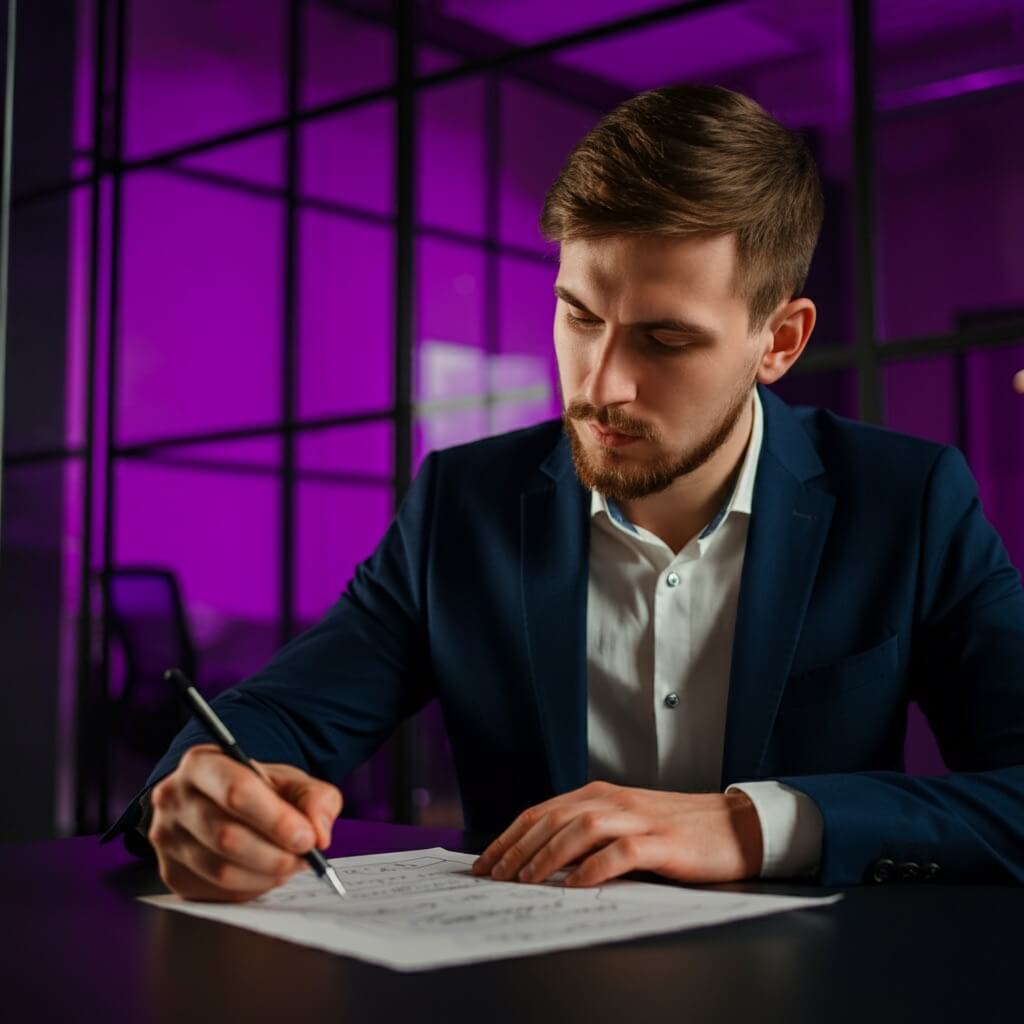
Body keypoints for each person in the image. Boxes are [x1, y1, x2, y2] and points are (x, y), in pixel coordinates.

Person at [105, 84, 1024, 901]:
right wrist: (202, 795)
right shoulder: (459, 504)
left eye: (666, 340)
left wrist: (750, 824)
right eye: (578, 315)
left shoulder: (908, 501)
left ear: (779, 342)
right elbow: (279, 717)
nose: (600, 385)